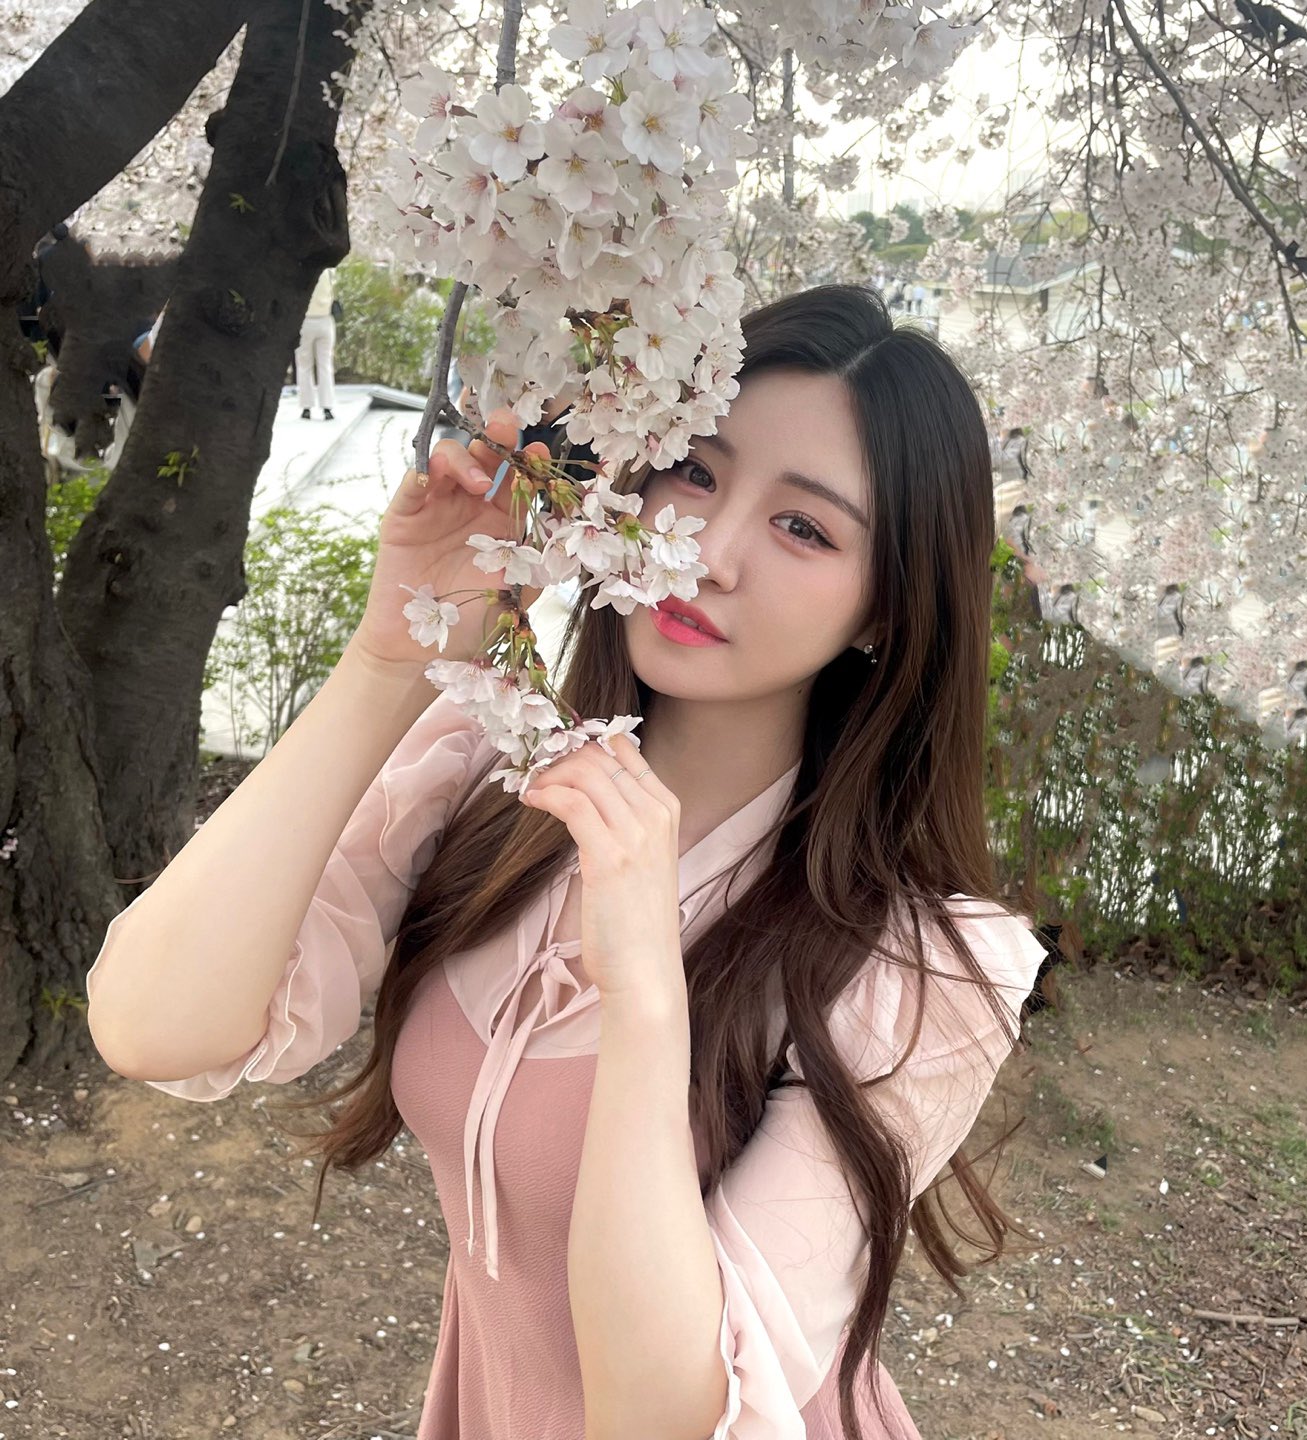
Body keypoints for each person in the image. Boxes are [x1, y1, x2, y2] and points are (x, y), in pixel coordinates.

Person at [83, 284, 1049, 1440]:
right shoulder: (485, 768)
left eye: (805, 529)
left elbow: (667, 1417)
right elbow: (153, 1026)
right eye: (693, 471)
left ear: (887, 608)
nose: (704, 555)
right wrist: (391, 658)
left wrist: (646, 991)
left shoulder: (922, 969)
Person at [295, 266, 338, 420]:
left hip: (305, 320)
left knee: (304, 365)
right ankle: (327, 407)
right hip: (325, 320)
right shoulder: (328, 271)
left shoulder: (301, 271)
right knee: (325, 364)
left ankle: (306, 407)